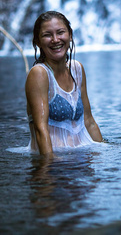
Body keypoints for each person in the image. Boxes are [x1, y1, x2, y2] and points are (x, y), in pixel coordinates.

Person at [26, 11, 103, 156]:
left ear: (70, 35)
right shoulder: (39, 74)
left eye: (60, 32)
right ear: (37, 41)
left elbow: (89, 121)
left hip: (83, 155)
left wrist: (103, 155)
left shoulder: (77, 69)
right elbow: (40, 128)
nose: (55, 40)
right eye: (47, 35)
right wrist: (49, 166)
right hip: (57, 161)